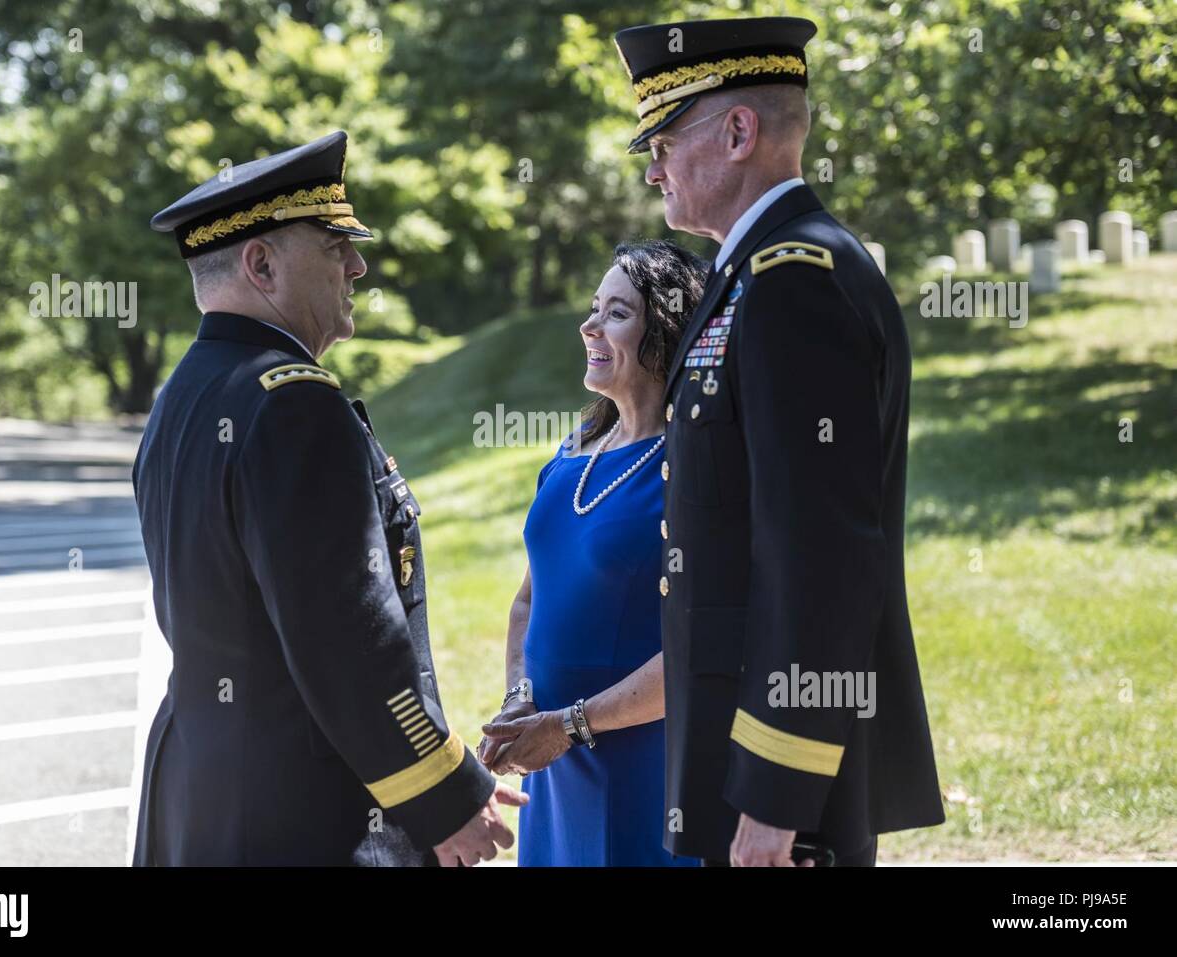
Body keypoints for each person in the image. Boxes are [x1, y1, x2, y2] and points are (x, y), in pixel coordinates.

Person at [133, 130, 524, 866]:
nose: (358, 263)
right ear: (262, 264)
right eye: (333, 243)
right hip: (308, 814)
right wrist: (445, 794)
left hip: (202, 794)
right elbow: (350, 638)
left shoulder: (183, 396)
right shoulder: (292, 404)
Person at [612, 17, 945, 866]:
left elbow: (822, 556)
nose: (652, 165)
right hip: (737, 749)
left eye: (662, 138)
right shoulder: (751, 273)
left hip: (778, 783)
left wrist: (775, 796)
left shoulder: (793, 279)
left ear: (737, 131)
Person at [479, 241, 706, 867]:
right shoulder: (574, 452)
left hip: (645, 761)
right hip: (554, 765)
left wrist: (572, 724)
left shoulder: (692, 464)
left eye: (616, 312)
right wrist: (519, 701)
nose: (589, 325)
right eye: (593, 307)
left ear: (665, 332)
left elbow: (707, 642)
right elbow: (529, 599)